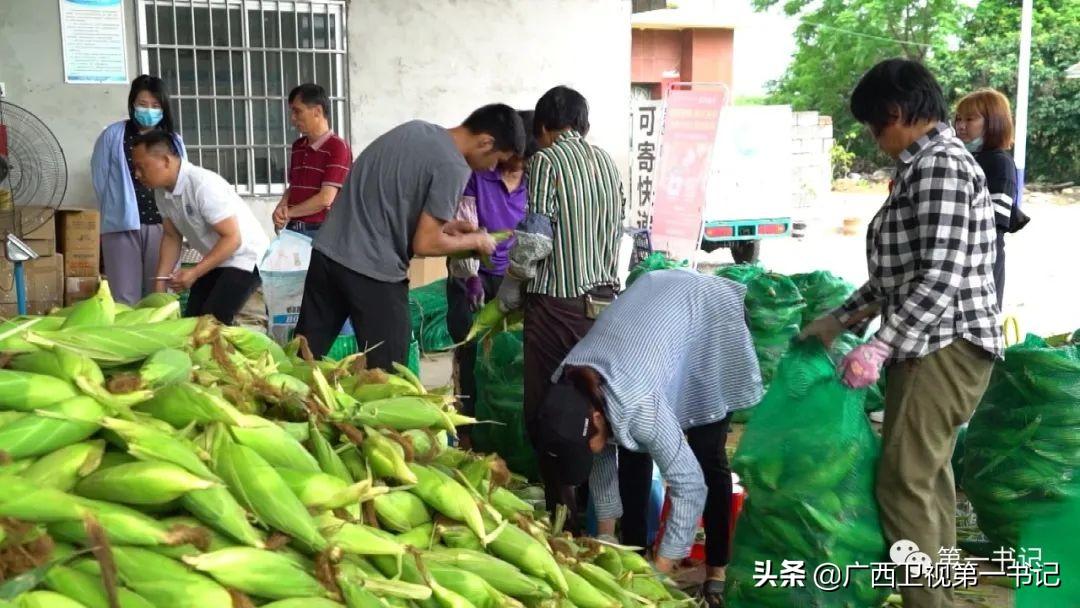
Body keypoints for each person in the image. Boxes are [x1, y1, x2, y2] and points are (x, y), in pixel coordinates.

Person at [802, 58, 1002, 608]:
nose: (874, 138)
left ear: (895, 113)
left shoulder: (941, 166)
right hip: (934, 341)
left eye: (873, 125)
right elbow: (897, 277)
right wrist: (842, 318)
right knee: (925, 479)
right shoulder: (924, 166)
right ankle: (940, 599)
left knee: (903, 484)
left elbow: (941, 276)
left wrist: (882, 343)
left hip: (946, 345)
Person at [536, 270, 762, 607]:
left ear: (597, 416)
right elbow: (599, 460)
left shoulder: (637, 404)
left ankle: (717, 568)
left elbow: (689, 487)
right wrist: (606, 543)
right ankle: (636, 545)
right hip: (654, 321)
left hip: (709, 315)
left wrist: (658, 573)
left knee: (704, 453)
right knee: (628, 449)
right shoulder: (572, 388)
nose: (590, 449)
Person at [295, 105, 526, 369]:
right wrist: (477, 241)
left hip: (327, 254)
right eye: (497, 160)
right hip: (372, 271)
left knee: (304, 356)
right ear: (486, 142)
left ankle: (283, 405)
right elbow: (425, 243)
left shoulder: (414, 130)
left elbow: (393, 200)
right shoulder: (454, 166)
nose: (491, 168)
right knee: (390, 371)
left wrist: (448, 227)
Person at [496, 86, 624, 528]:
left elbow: (535, 240)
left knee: (550, 415)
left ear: (544, 127)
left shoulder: (547, 160)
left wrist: (512, 283)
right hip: (605, 306)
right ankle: (603, 522)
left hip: (556, 308)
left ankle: (563, 521)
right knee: (596, 412)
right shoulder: (607, 162)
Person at [446, 110, 538, 447]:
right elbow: (463, 225)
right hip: (471, 275)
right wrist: (469, 278)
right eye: (514, 157)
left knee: (505, 357)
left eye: (525, 160)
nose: (517, 165)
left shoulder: (535, 183)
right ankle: (469, 432)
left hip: (514, 278)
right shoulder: (478, 173)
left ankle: (505, 430)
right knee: (469, 354)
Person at [130, 131, 269, 325]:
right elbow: (171, 236)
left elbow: (233, 239)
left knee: (211, 321)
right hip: (217, 258)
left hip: (245, 256)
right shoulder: (161, 193)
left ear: (166, 161)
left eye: (141, 167)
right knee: (192, 320)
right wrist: (160, 283)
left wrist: (194, 273)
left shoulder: (202, 185)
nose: (137, 174)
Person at [91, 75, 186, 305]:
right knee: (124, 297)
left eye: (155, 106)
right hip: (122, 226)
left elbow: (181, 181)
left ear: (164, 108)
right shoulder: (113, 135)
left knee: (159, 295)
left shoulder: (173, 140)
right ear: (132, 104)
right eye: (143, 104)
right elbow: (100, 178)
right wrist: (116, 208)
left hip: (164, 227)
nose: (149, 110)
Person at [953, 88, 1030, 307]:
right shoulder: (963, 157)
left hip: (982, 265)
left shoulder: (999, 162)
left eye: (970, 119)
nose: (961, 125)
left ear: (993, 122)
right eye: (958, 118)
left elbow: (993, 226)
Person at [272, 83, 352, 239]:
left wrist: (288, 213)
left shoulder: (338, 147)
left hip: (322, 232)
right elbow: (293, 186)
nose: (293, 119)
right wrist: (282, 206)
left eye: (297, 111)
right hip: (294, 229)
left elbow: (325, 199)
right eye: (292, 112)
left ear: (317, 111)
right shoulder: (298, 146)